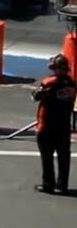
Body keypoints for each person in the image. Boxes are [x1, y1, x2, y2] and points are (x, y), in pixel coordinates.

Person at [32, 55, 75, 195]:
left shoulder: (48, 82)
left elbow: (35, 96)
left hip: (47, 124)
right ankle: (62, 184)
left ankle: (48, 184)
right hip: (64, 125)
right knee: (64, 156)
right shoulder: (72, 83)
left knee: (47, 156)